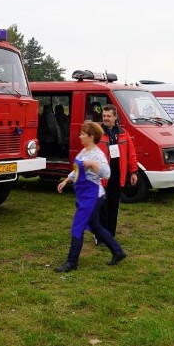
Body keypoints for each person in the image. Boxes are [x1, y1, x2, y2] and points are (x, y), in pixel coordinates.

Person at [55, 121, 127, 272]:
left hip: (93, 196)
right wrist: (67, 180)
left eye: (82, 134)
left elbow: (106, 173)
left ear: (91, 136)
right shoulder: (83, 152)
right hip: (84, 196)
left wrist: (93, 165)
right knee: (96, 226)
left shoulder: (97, 154)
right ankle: (118, 251)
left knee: (78, 227)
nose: (80, 136)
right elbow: (77, 170)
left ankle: (71, 262)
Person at [97, 104, 139, 237]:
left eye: (109, 116)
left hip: (117, 177)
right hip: (101, 178)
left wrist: (133, 172)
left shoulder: (123, 134)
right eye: (104, 116)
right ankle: (100, 235)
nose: (106, 118)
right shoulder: (97, 133)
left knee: (114, 206)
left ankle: (111, 234)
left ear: (115, 117)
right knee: (101, 207)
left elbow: (131, 154)